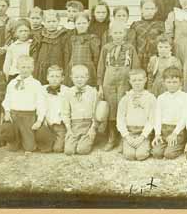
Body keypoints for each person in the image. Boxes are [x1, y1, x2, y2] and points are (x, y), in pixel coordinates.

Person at [97, 21, 141, 151]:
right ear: (111, 34)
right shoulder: (106, 48)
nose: (118, 35)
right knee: (111, 107)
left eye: (120, 33)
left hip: (124, 79)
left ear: (125, 34)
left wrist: (134, 84)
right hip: (109, 79)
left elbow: (135, 66)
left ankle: (123, 137)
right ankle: (112, 137)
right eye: (115, 33)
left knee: (124, 106)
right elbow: (101, 67)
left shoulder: (130, 48)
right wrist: (100, 85)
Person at [2, 55, 46, 152]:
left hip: (28, 117)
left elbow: (40, 103)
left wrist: (39, 120)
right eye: (23, 67)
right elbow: (7, 99)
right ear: (17, 68)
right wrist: (7, 112)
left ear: (33, 68)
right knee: (12, 148)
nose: (25, 70)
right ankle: (16, 141)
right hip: (14, 116)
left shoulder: (36, 84)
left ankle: (27, 140)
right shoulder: (12, 83)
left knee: (29, 148)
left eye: (28, 67)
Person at [116, 69, 156, 161]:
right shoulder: (125, 98)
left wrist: (143, 136)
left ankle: (146, 143)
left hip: (143, 132)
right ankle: (124, 141)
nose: (137, 83)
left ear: (145, 80)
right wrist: (127, 136)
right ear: (129, 81)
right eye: (134, 80)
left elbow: (152, 120)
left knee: (141, 155)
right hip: (129, 132)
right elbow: (120, 120)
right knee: (129, 155)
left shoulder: (150, 98)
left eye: (140, 80)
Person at [152, 67, 187, 160]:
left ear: (180, 82)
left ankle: (181, 144)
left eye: (175, 82)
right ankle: (165, 145)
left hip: (177, 130)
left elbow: (184, 117)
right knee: (156, 153)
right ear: (164, 83)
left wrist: (175, 133)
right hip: (163, 130)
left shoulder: (185, 97)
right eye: (169, 82)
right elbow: (158, 117)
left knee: (169, 154)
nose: (172, 85)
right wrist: (157, 134)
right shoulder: (161, 98)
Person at [62, 65, 99, 155]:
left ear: (87, 77)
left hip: (88, 124)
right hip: (74, 125)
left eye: (82, 77)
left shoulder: (93, 92)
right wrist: (69, 129)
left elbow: (96, 111)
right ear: (71, 77)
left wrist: (92, 128)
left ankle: (87, 140)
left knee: (82, 150)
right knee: (69, 151)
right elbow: (65, 112)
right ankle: (76, 140)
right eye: (76, 77)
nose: (79, 80)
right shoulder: (68, 92)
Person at [30, 10, 72, 85]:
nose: (51, 24)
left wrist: (66, 70)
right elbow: (34, 54)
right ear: (44, 22)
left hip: (57, 65)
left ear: (58, 21)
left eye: (54, 21)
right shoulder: (40, 35)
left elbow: (66, 54)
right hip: (41, 67)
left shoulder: (63, 35)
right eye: (48, 22)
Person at [128, 0, 165, 70]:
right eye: (146, 9)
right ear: (141, 9)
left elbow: (164, 42)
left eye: (152, 9)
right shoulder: (136, 25)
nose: (149, 11)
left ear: (156, 9)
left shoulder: (161, 25)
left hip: (155, 57)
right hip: (139, 57)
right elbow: (132, 44)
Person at [38, 65, 68, 153]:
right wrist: (42, 120)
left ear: (62, 78)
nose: (54, 79)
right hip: (47, 123)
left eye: (57, 76)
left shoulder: (66, 91)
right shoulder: (42, 89)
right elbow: (40, 106)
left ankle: (63, 139)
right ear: (47, 77)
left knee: (57, 149)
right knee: (46, 148)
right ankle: (49, 141)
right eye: (52, 76)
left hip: (60, 124)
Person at [68, 12, 101, 87]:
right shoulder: (72, 38)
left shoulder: (92, 38)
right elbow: (69, 54)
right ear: (75, 24)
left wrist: (92, 68)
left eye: (84, 23)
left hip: (88, 68)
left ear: (88, 23)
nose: (81, 25)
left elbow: (96, 57)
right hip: (73, 67)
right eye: (79, 23)